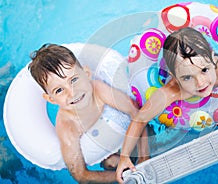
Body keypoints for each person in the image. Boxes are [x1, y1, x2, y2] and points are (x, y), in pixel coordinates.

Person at [116, 27, 218, 182]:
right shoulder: (173, 90)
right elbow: (140, 119)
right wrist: (124, 157)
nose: (201, 83)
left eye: (204, 70)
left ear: (211, 59)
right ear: (174, 77)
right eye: (187, 77)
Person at [28, 44, 149, 183]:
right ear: (51, 99)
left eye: (73, 80)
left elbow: (136, 112)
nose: (72, 92)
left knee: (148, 131)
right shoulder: (67, 126)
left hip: (125, 134)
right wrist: (125, 176)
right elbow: (81, 175)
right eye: (59, 90)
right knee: (111, 161)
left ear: (86, 73)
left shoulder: (98, 90)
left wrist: (144, 158)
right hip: (108, 155)